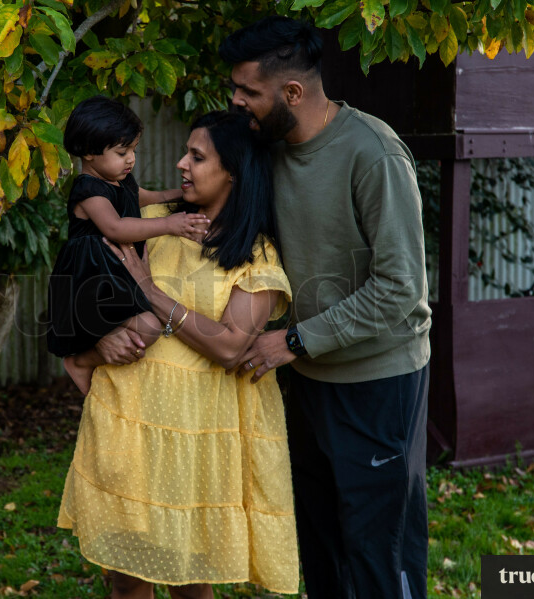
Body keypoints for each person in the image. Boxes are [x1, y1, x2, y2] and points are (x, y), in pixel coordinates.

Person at [218, 16, 433, 599]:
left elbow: (400, 289)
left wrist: (291, 341)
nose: (237, 103)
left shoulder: (374, 153)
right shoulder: (268, 151)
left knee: (378, 552)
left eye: (249, 93)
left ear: (292, 92)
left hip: (376, 382)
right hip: (307, 377)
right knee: (322, 546)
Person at [57, 111, 299, 598]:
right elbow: (78, 278)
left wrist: (150, 291)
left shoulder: (256, 254)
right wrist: (97, 339)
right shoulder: (142, 224)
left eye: (197, 156)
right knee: (126, 581)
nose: (180, 164)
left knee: (191, 586)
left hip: (196, 440)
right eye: (185, 152)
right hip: (127, 425)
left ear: (233, 170)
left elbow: (230, 345)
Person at [47, 96, 210, 394]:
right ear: (88, 152)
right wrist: (170, 225)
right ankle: (81, 361)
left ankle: (95, 362)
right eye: (122, 152)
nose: (131, 159)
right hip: (91, 279)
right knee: (148, 326)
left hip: (114, 273)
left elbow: (144, 197)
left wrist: (183, 195)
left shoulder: (119, 179)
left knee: (148, 327)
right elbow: (116, 228)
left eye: (133, 150)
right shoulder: (88, 188)